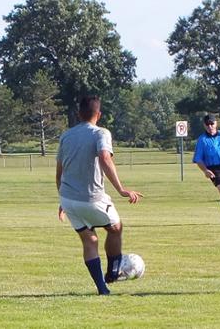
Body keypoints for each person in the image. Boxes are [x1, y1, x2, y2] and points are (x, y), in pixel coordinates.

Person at [56, 95, 143, 295]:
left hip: (68, 199)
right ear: (99, 114)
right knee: (115, 227)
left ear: (79, 114)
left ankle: (102, 288)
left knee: (90, 240)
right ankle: (113, 271)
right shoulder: (101, 133)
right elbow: (104, 158)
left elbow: (60, 170)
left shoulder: (66, 136)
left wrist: (62, 198)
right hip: (91, 198)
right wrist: (122, 189)